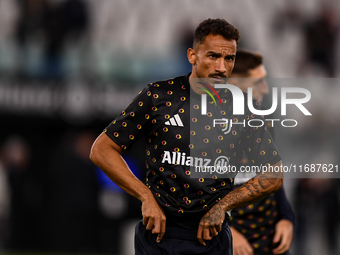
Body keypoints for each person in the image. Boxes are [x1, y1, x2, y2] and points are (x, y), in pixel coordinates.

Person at [90, 18, 283, 255]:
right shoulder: (158, 96)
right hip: (157, 236)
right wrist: (145, 197)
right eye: (213, 56)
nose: (222, 67)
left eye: (229, 58)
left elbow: (274, 175)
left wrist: (222, 207)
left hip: (211, 239)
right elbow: (101, 149)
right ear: (192, 55)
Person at [228, 49, 294, 255]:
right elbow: (192, 199)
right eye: (258, 82)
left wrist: (286, 218)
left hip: (271, 244)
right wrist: (227, 233)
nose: (265, 90)